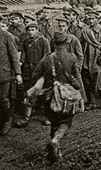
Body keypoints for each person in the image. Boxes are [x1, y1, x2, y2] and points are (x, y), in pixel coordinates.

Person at [27, 33, 86, 162]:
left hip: (49, 96)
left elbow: (35, 76)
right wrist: (82, 95)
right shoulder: (71, 58)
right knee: (66, 122)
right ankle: (55, 140)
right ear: (66, 44)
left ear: (54, 44)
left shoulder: (46, 59)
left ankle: (55, 150)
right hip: (66, 96)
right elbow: (77, 79)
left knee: (53, 122)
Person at [13, 21, 51, 128]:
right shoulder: (26, 41)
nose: (30, 32)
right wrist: (21, 63)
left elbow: (47, 57)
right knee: (28, 93)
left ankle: (49, 117)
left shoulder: (44, 41)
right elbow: (24, 55)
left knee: (45, 95)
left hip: (41, 72)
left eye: (33, 30)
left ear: (37, 30)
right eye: (29, 30)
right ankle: (26, 118)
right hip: (28, 72)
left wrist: (44, 71)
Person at [80, 11, 101, 109]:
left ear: (97, 19)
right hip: (87, 58)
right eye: (89, 19)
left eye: (93, 19)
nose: (91, 21)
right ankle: (92, 102)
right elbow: (81, 44)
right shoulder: (85, 30)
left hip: (98, 58)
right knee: (88, 81)